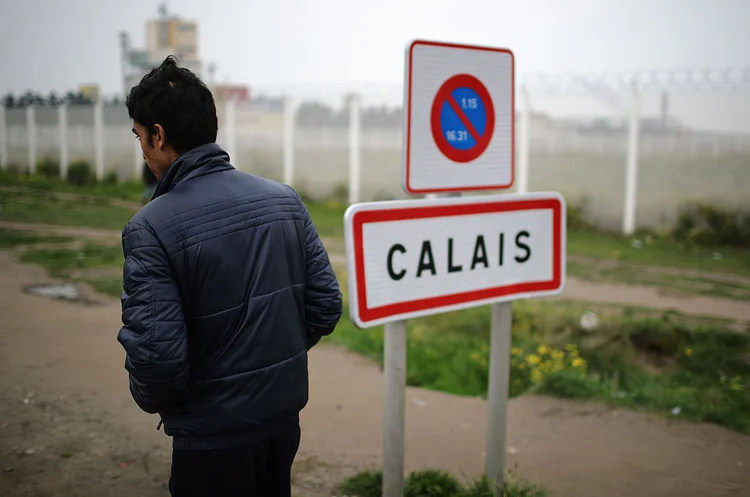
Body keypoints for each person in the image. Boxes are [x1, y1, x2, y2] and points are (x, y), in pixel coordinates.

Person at [117, 56, 342, 497]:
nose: (143, 150)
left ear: (158, 136)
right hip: (282, 423)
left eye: (140, 137)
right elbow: (325, 308)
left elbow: (157, 370)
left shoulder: (149, 227)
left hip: (210, 441)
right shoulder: (285, 201)